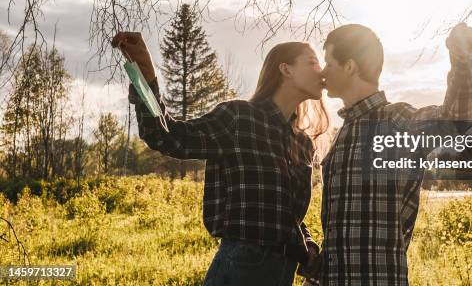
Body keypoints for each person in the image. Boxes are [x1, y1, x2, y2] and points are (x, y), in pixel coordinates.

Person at [111, 32, 328, 286]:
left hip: (282, 271)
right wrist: (144, 71)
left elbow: (285, 215)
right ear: (286, 69)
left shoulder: (301, 142)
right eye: (313, 62)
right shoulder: (239, 118)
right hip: (242, 267)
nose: (321, 70)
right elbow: (166, 136)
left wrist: (308, 247)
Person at [313, 23, 472, 285]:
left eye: (328, 63)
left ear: (349, 66)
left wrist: (461, 59)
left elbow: (456, 117)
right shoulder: (342, 133)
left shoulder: (398, 121)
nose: (323, 72)